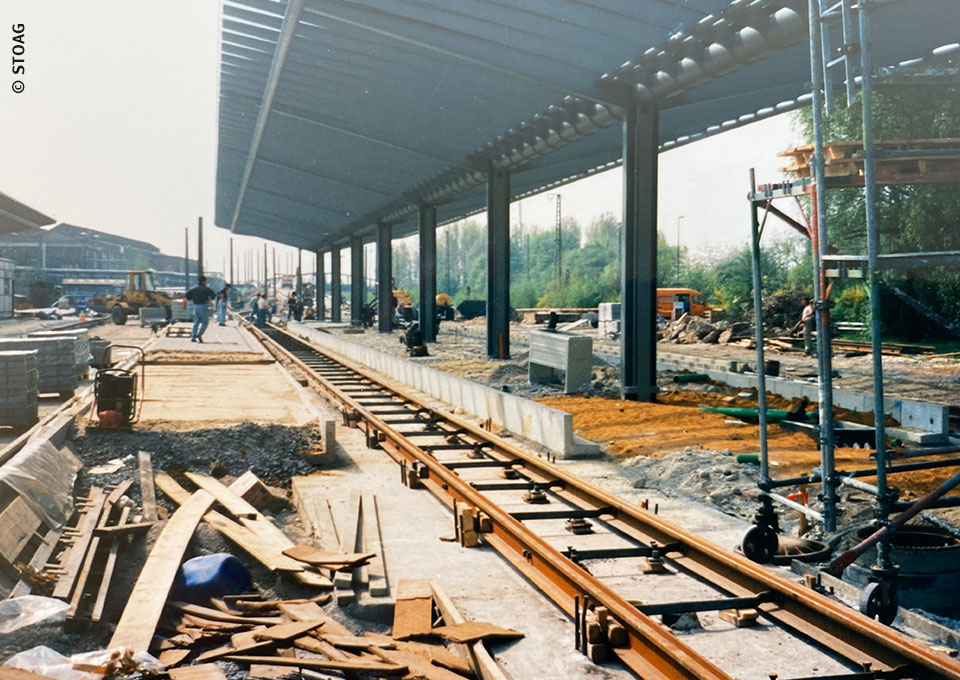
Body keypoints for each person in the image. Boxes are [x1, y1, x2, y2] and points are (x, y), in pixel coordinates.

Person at [185, 275, 216, 343]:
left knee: (196, 322)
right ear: (204, 281)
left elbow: (187, 296)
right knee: (205, 322)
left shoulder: (193, 289)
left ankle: (193, 337)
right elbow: (213, 296)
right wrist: (209, 299)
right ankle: (199, 334)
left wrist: (193, 299)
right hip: (203, 306)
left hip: (195, 306)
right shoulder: (207, 289)